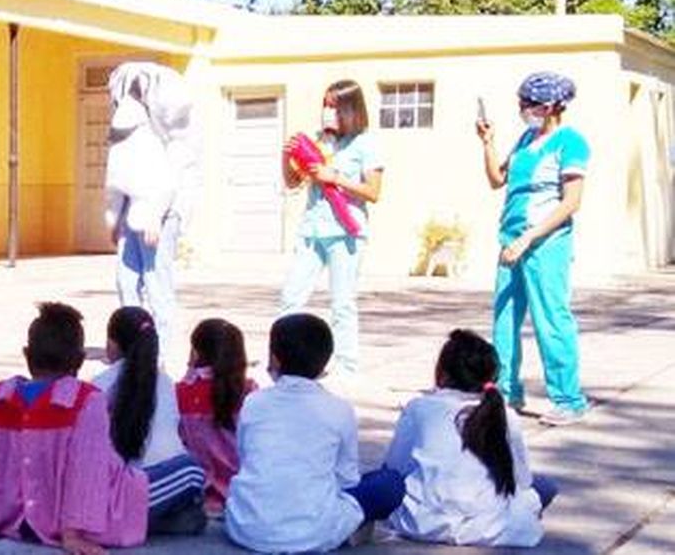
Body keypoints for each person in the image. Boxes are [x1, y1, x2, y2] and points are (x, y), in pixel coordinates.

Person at [0, 303, 148, 555]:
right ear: (80, 360)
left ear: (26, 354)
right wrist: (72, 534)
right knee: (181, 474)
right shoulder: (86, 401)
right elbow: (86, 470)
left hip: (12, 522)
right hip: (83, 520)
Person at [225, 313, 405, 553]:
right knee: (389, 483)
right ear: (324, 364)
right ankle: (347, 530)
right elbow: (346, 479)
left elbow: (247, 459)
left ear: (275, 359)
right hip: (311, 533)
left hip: (246, 527)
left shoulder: (253, 402)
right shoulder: (339, 409)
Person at [477, 71, 590, 426]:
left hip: (546, 244)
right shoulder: (526, 139)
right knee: (505, 320)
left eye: (529, 104)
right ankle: (505, 392)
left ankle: (568, 399)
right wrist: (487, 141)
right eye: (521, 103)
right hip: (510, 241)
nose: (523, 109)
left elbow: (571, 202)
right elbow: (498, 179)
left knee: (551, 320)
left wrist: (529, 237)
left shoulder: (570, 142)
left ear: (553, 105)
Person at [383, 329, 558, 547]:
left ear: (442, 374)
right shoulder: (505, 414)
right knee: (545, 486)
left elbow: (395, 468)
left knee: (383, 483)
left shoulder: (420, 408)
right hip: (494, 525)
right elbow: (522, 481)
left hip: (424, 523)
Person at [277, 80, 384, 375]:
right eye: (325, 105)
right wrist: (287, 157)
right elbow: (293, 181)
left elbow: (373, 192)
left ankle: (346, 365)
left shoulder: (366, 144)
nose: (327, 112)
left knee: (342, 302)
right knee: (291, 296)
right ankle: (282, 359)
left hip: (346, 233)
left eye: (334, 107)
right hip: (312, 230)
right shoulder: (317, 140)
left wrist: (334, 177)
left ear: (350, 109)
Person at [103, 63, 201, 366]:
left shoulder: (173, 138)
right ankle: (132, 344)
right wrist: (113, 217)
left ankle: (160, 350)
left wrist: (157, 214)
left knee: (157, 282)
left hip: (160, 217)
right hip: (133, 213)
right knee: (126, 280)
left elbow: (171, 179)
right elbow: (117, 176)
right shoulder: (133, 128)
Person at [95, 307, 207, 535]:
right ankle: (135, 520)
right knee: (193, 469)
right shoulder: (165, 383)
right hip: (132, 490)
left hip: (123, 488)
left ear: (112, 344)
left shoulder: (98, 385)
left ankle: (142, 519)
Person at [175, 317, 257, 515]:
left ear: (195, 351)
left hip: (200, 485)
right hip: (243, 484)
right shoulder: (249, 393)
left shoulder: (181, 393)